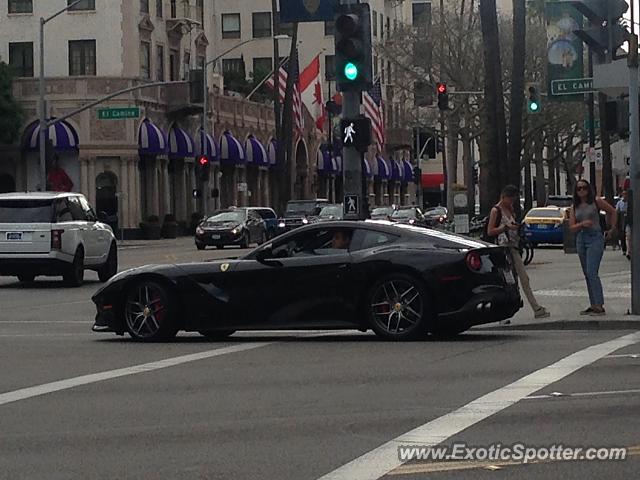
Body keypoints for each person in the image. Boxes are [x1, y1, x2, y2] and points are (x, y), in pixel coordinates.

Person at [488, 185, 550, 320]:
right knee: (508, 280)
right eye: (510, 199)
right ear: (504, 197)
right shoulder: (496, 210)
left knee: (522, 278)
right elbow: (490, 231)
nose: (512, 202)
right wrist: (505, 227)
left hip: (513, 246)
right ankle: (504, 313)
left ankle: (535, 308)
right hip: (503, 248)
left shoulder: (510, 209)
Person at [569, 180, 617, 316]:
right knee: (586, 273)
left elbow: (613, 211)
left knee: (592, 271)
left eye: (584, 188)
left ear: (589, 189)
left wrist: (612, 229)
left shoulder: (596, 202)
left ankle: (599, 304)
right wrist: (582, 224)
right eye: (579, 189)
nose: (582, 191)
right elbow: (571, 227)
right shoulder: (574, 207)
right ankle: (593, 303)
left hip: (595, 238)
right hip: (581, 238)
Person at [616, 191, 628, 256]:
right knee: (622, 235)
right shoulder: (619, 203)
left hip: (628, 219)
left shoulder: (630, 202)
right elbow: (617, 211)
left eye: (626, 194)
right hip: (622, 219)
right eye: (624, 194)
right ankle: (624, 249)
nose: (625, 195)